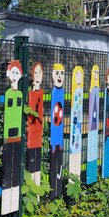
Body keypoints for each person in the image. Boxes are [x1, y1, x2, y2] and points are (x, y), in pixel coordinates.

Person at [2, 60, 36, 215]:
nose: (15, 75)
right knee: (9, 164)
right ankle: (7, 198)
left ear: (21, 75)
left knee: (16, 166)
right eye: (13, 72)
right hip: (9, 136)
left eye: (17, 73)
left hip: (17, 136)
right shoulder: (9, 93)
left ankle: (14, 198)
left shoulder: (20, 94)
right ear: (9, 74)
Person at [26, 62, 43, 186]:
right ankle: (32, 184)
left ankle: (36, 185)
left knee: (38, 157)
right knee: (32, 157)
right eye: (35, 72)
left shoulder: (40, 93)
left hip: (38, 134)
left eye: (40, 72)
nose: (38, 75)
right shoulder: (31, 94)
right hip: (31, 136)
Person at [49, 63, 65, 199]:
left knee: (58, 160)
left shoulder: (61, 92)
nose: (59, 77)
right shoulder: (55, 93)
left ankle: (57, 192)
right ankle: (53, 193)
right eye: (57, 73)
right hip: (55, 140)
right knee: (54, 161)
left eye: (62, 73)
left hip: (59, 139)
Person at [69, 66, 84, 179]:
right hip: (75, 124)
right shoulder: (74, 91)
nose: (79, 78)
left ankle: (76, 176)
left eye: (80, 76)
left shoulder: (81, 91)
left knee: (76, 148)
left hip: (78, 124)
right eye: (77, 76)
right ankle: (72, 177)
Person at [86, 65, 100, 184]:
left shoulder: (97, 90)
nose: (96, 75)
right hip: (91, 126)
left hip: (94, 126)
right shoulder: (92, 90)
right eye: (94, 72)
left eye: (97, 73)